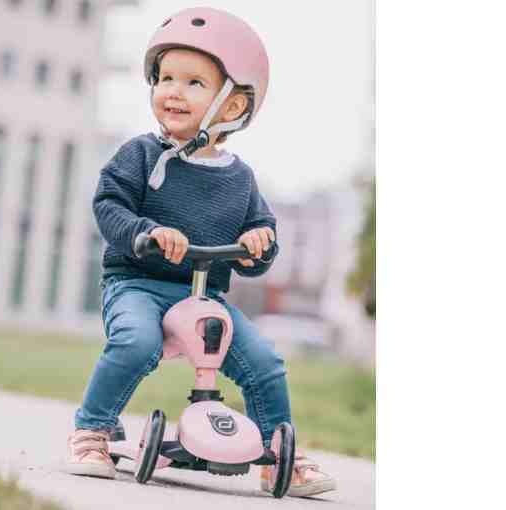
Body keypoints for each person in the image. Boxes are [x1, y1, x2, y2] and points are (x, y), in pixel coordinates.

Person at [65, 7, 336, 498]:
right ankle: (93, 431)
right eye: (165, 78)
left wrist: (257, 245)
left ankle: (279, 456)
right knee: (135, 342)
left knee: (264, 361)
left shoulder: (240, 178)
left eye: (193, 83)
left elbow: (262, 235)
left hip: (206, 296)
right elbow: (108, 204)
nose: (173, 90)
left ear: (232, 106)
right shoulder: (141, 155)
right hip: (137, 286)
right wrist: (146, 231)